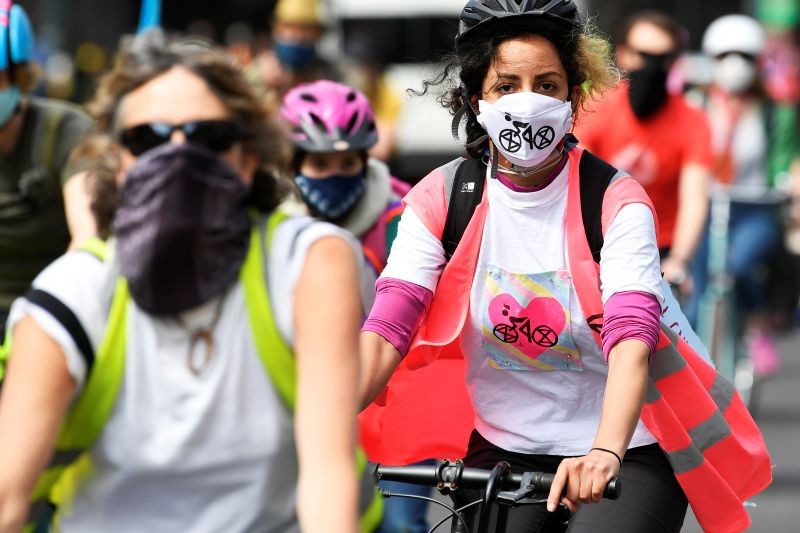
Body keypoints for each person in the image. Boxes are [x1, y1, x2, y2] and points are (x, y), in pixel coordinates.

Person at [358, 1, 772, 532]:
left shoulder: (615, 199)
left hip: (628, 444)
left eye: (547, 84)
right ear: (475, 100)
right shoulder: (441, 198)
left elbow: (631, 336)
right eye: (506, 86)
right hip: (504, 444)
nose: (527, 101)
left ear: (573, 99)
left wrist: (604, 450)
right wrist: (320, 422)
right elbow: (389, 325)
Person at [0, 31, 379, 533]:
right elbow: (7, 497)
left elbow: (326, 475)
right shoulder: (72, 298)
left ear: (248, 158)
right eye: (148, 139)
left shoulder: (308, 262)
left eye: (209, 138)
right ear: (116, 159)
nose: (178, 155)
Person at [279, 80, 423, 533]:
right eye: (319, 164)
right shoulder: (270, 226)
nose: (335, 174)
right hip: (300, 412)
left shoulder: (407, 221)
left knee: (400, 527)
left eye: (347, 162)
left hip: (394, 418)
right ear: (293, 164)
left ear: (366, 160)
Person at [687, 14, 800, 375]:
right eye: (725, 55)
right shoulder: (694, 105)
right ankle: (692, 366)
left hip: (756, 209)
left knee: (737, 265)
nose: (735, 65)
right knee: (699, 290)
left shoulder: (775, 111)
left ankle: (756, 324)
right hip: (705, 209)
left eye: (745, 56)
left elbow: (789, 157)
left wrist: (790, 184)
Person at [573, 10, 713, 292]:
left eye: (662, 58)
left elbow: (694, 198)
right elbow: (576, 175)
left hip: (662, 247)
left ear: (674, 61)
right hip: (601, 240)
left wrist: (680, 259)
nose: (651, 66)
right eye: (643, 55)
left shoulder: (693, 120)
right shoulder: (596, 107)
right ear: (623, 54)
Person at [0, 1, 94, 332]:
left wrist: (39, 324)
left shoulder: (65, 130)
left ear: (19, 76)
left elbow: (88, 237)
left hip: (48, 311)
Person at [251, 0, 340, 109]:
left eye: (306, 29)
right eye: (289, 27)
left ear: (319, 33)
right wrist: (267, 88)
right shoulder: (257, 73)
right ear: (275, 29)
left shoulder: (332, 76)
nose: (297, 37)